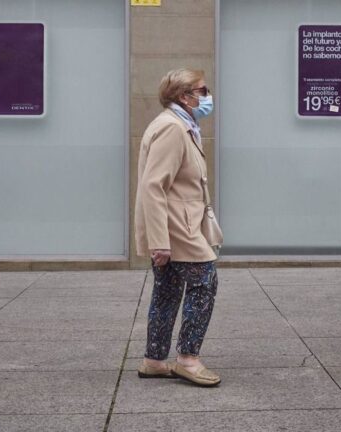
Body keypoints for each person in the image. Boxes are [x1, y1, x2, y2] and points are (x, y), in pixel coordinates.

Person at [134, 68, 221, 387]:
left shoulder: (182, 125)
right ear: (184, 96)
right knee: (205, 282)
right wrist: (160, 241)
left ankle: (154, 360)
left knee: (168, 290)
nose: (207, 95)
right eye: (202, 90)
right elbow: (154, 186)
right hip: (177, 229)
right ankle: (188, 359)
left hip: (176, 225)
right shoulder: (172, 128)